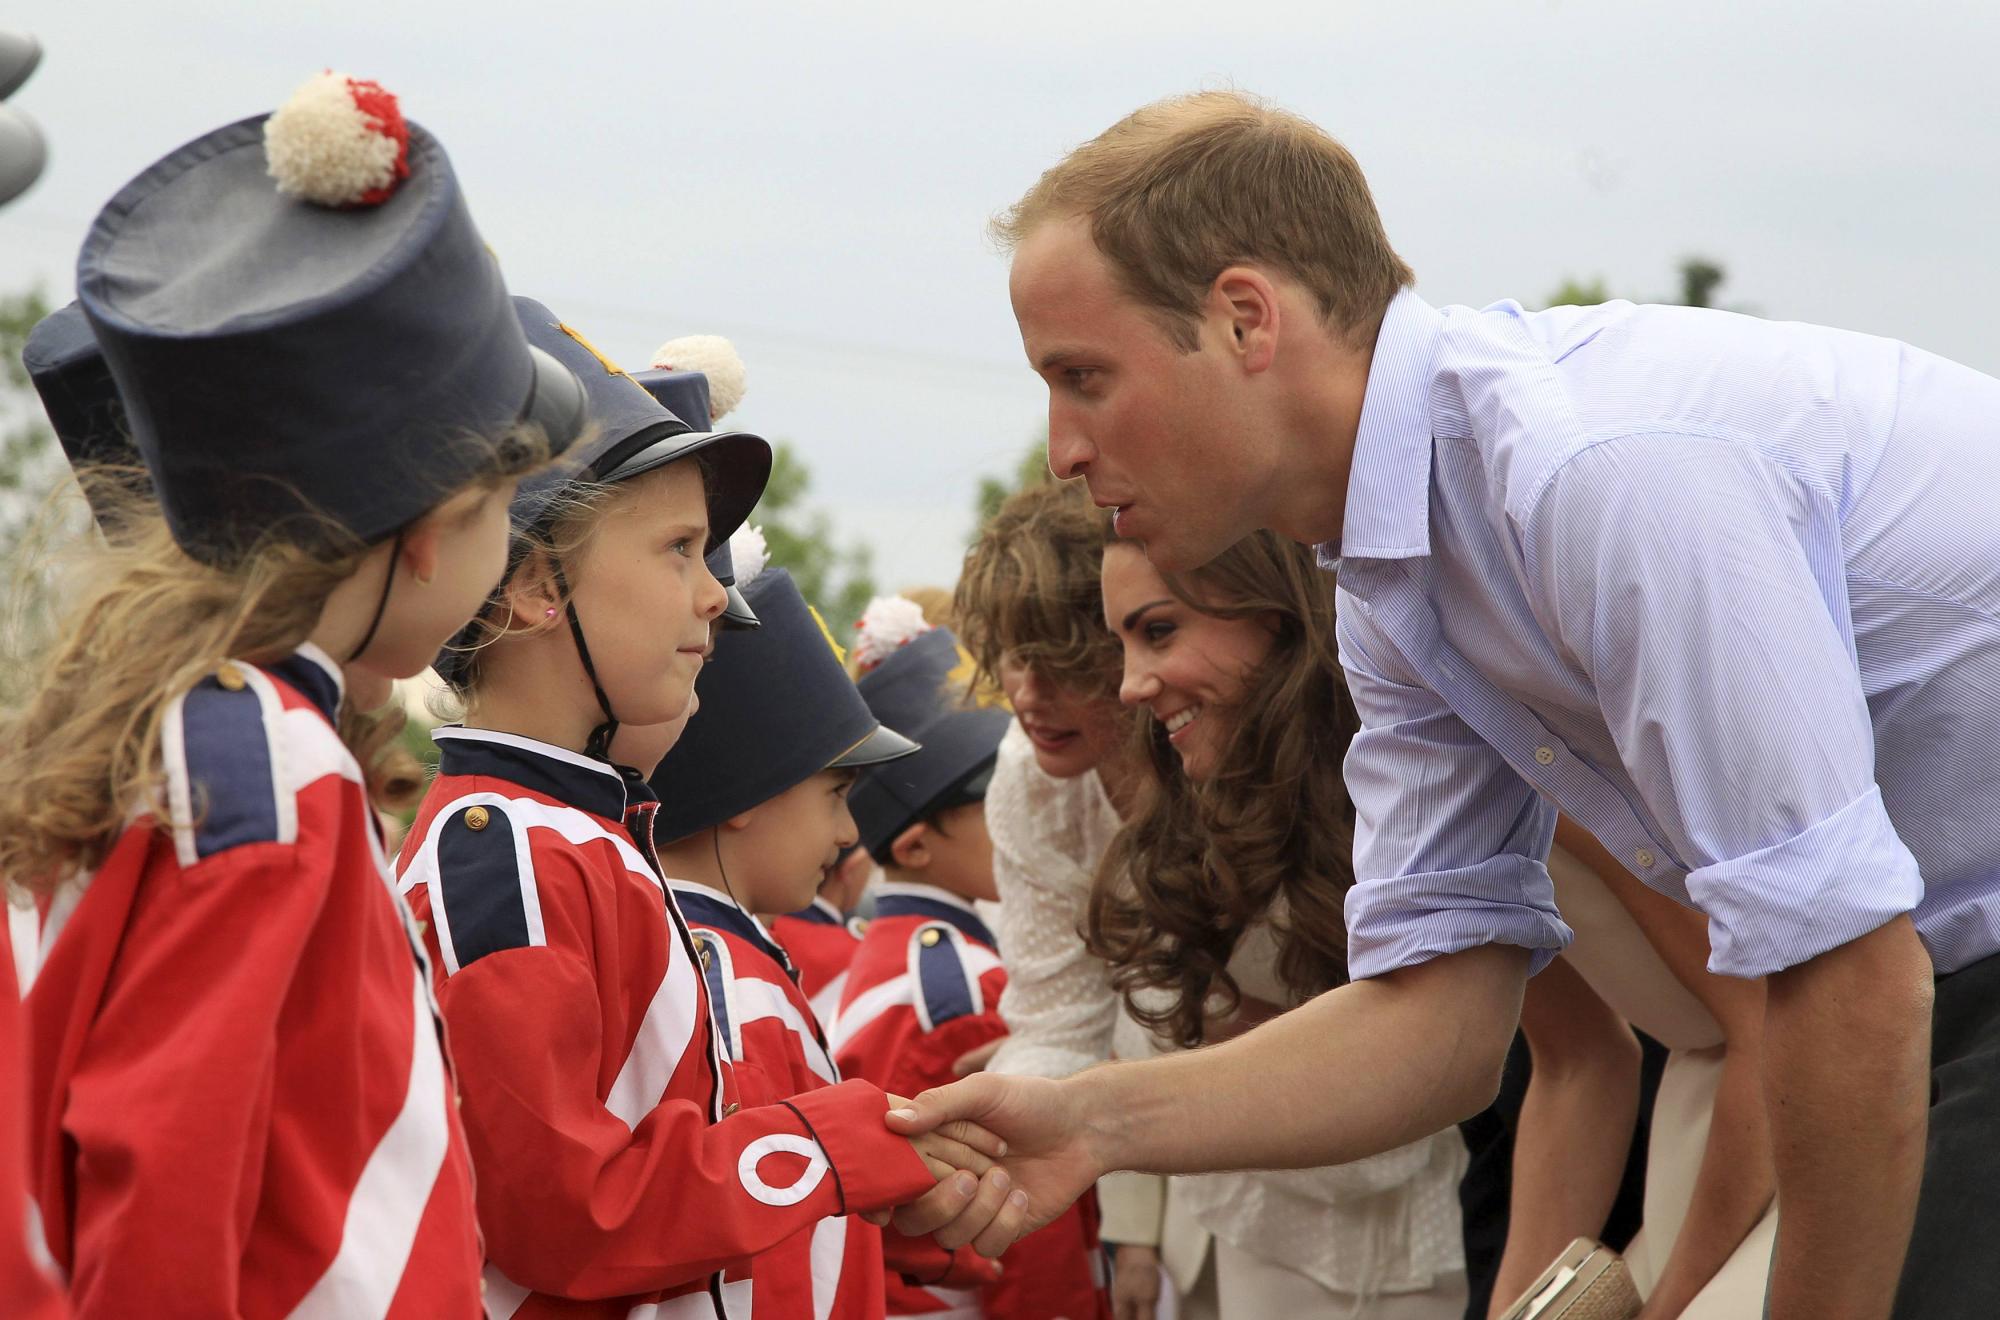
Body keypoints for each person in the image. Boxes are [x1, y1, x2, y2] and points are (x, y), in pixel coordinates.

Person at [888, 89, 1997, 1320]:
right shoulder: (1395, 575)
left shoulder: (1591, 475)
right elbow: (1440, 1019)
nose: (1060, 448)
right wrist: (1090, 1120)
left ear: (1243, 318)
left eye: (1082, 376)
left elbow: (1846, 973)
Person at [0, 72, 590, 1315]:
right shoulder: (267, 759)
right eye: (502, 513)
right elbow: (164, 1180)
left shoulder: (199, 728)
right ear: (433, 530)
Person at [396, 302, 1007, 1316]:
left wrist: (877, 1174)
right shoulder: (500, 852)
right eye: (678, 549)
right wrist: (839, 1145)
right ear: (537, 586)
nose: (716, 593)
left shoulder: (578, 839)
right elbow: (564, 1218)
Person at [1091, 525, 1470, 1318]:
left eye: (1159, 631)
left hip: (1390, 1253)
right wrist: (1135, 1230)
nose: (1130, 685)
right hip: (1219, 1231)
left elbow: (1469, 1069)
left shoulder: (1422, 777)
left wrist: (1266, 1042)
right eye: (1122, 644)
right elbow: (1142, 1029)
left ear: (1276, 614)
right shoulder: (1181, 801)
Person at [647, 555, 951, 1320]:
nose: (851, 832)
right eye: (836, 793)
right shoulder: (729, 988)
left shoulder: (715, 959)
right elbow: (762, 1259)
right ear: (751, 789)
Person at [832, 614, 1112, 1320]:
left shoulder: (897, 953)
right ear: (918, 846)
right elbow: (1019, 1227)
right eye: (989, 799)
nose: (1019, 809)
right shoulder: (958, 987)